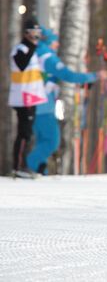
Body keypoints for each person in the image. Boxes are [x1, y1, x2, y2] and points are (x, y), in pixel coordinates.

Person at [26, 28, 105, 175]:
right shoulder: (47, 57)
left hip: (34, 103)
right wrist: (94, 76)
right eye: (55, 41)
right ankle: (30, 165)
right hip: (43, 105)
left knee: (42, 141)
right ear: (49, 41)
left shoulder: (36, 54)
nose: (57, 44)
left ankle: (39, 170)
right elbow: (67, 75)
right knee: (52, 141)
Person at [9, 17, 48, 177]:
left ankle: (23, 166)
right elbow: (21, 64)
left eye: (38, 33)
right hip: (23, 97)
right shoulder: (21, 49)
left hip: (31, 96)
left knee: (27, 133)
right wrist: (32, 46)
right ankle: (18, 167)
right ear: (26, 33)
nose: (36, 36)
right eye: (33, 33)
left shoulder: (32, 50)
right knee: (24, 132)